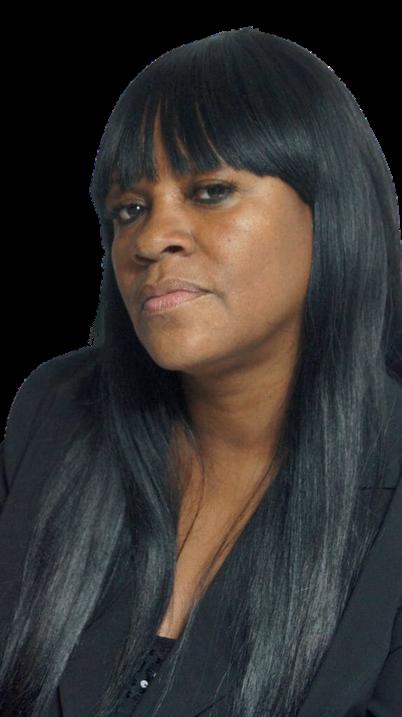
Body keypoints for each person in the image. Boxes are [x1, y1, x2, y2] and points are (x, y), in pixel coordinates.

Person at [1, 27, 401, 717]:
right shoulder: (56, 411)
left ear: (330, 210)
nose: (151, 239)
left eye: (211, 191)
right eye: (129, 209)